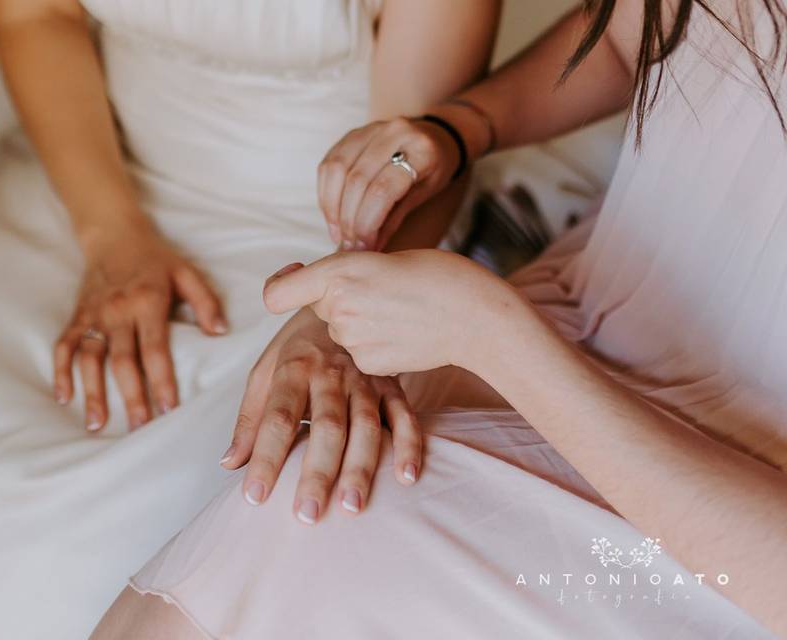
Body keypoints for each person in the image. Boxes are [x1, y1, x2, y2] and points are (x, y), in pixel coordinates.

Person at [93, 0, 787, 638]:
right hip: (602, 305)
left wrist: (491, 335)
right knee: (281, 524)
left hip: (723, 504)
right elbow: (655, 31)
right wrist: (456, 130)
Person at [0, 1, 500, 638]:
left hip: (331, 238)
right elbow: (38, 15)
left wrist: (338, 307)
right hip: (92, 183)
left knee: (107, 562)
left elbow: (412, 156)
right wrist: (112, 235)